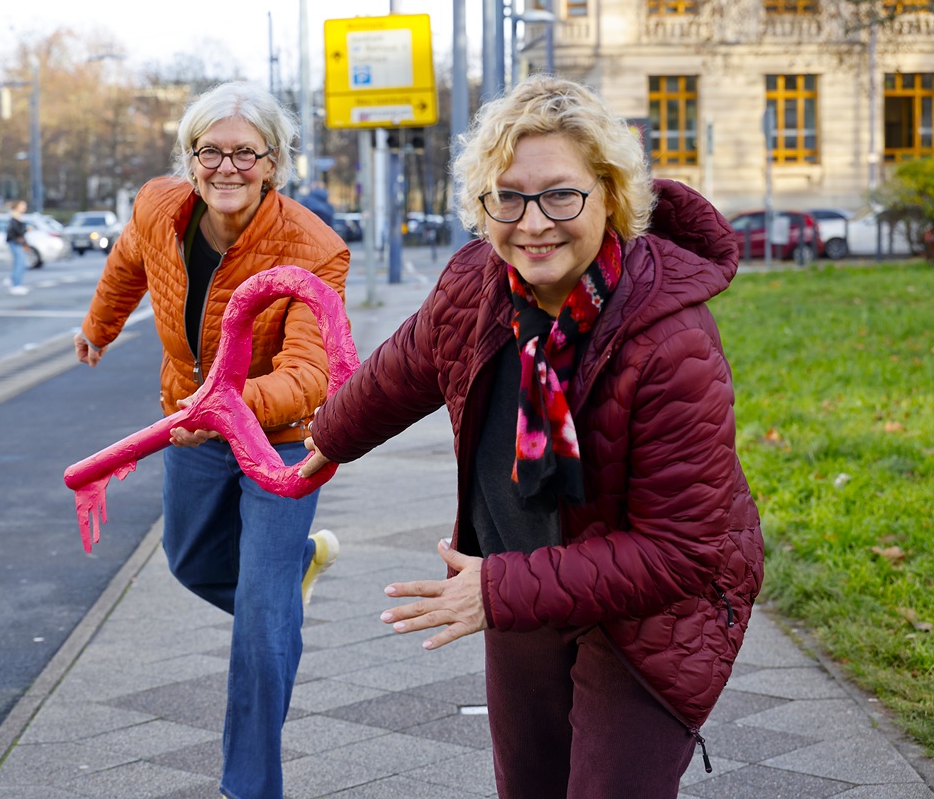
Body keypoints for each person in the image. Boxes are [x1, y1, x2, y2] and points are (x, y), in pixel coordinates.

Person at [300, 74, 764, 798]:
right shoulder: (476, 284)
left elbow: (681, 552)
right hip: (521, 580)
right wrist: (325, 440)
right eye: (507, 197)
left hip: (648, 615)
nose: (533, 222)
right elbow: (407, 365)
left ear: (609, 196)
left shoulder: (672, 343)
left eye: (560, 195)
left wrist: (499, 589)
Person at [72, 81, 350, 799]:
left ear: (274, 162)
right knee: (191, 562)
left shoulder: (314, 250)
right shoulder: (159, 208)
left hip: (281, 442)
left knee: (261, 626)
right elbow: (130, 264)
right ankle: (294, 575)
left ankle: (248, 786)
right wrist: (98, 328)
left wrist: (227, 405)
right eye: (210, 152)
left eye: (245, 154)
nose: (227, 167)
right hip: (191, 423)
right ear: (190, 160)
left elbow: (309, 372)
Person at [4, 200, 29, 295]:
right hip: (15, 242)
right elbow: (18, 232)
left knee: (20, 263)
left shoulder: (17, 217)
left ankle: (13, 279)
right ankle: (15, 284)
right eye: (23, 206)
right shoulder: (15, 217)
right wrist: (25, 228)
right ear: (17, 206)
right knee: (20, 263)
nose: (24, 208)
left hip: (16, 242)